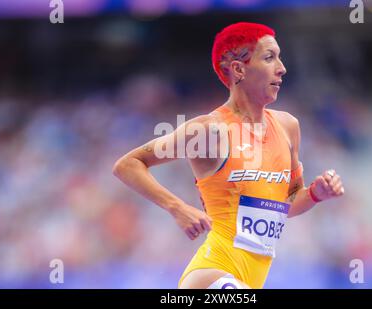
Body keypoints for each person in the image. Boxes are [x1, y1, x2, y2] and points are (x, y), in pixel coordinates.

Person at [113, 22, 344, 289]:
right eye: (269, 57)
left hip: (249, 281)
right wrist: (177, 207)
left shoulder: (288, 126)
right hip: (211, 276)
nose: (282, 68)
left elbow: (287, 205)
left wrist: (317, 193)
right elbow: (127, 164)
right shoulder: (210, 130)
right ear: (238, 69)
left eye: (279, 57)